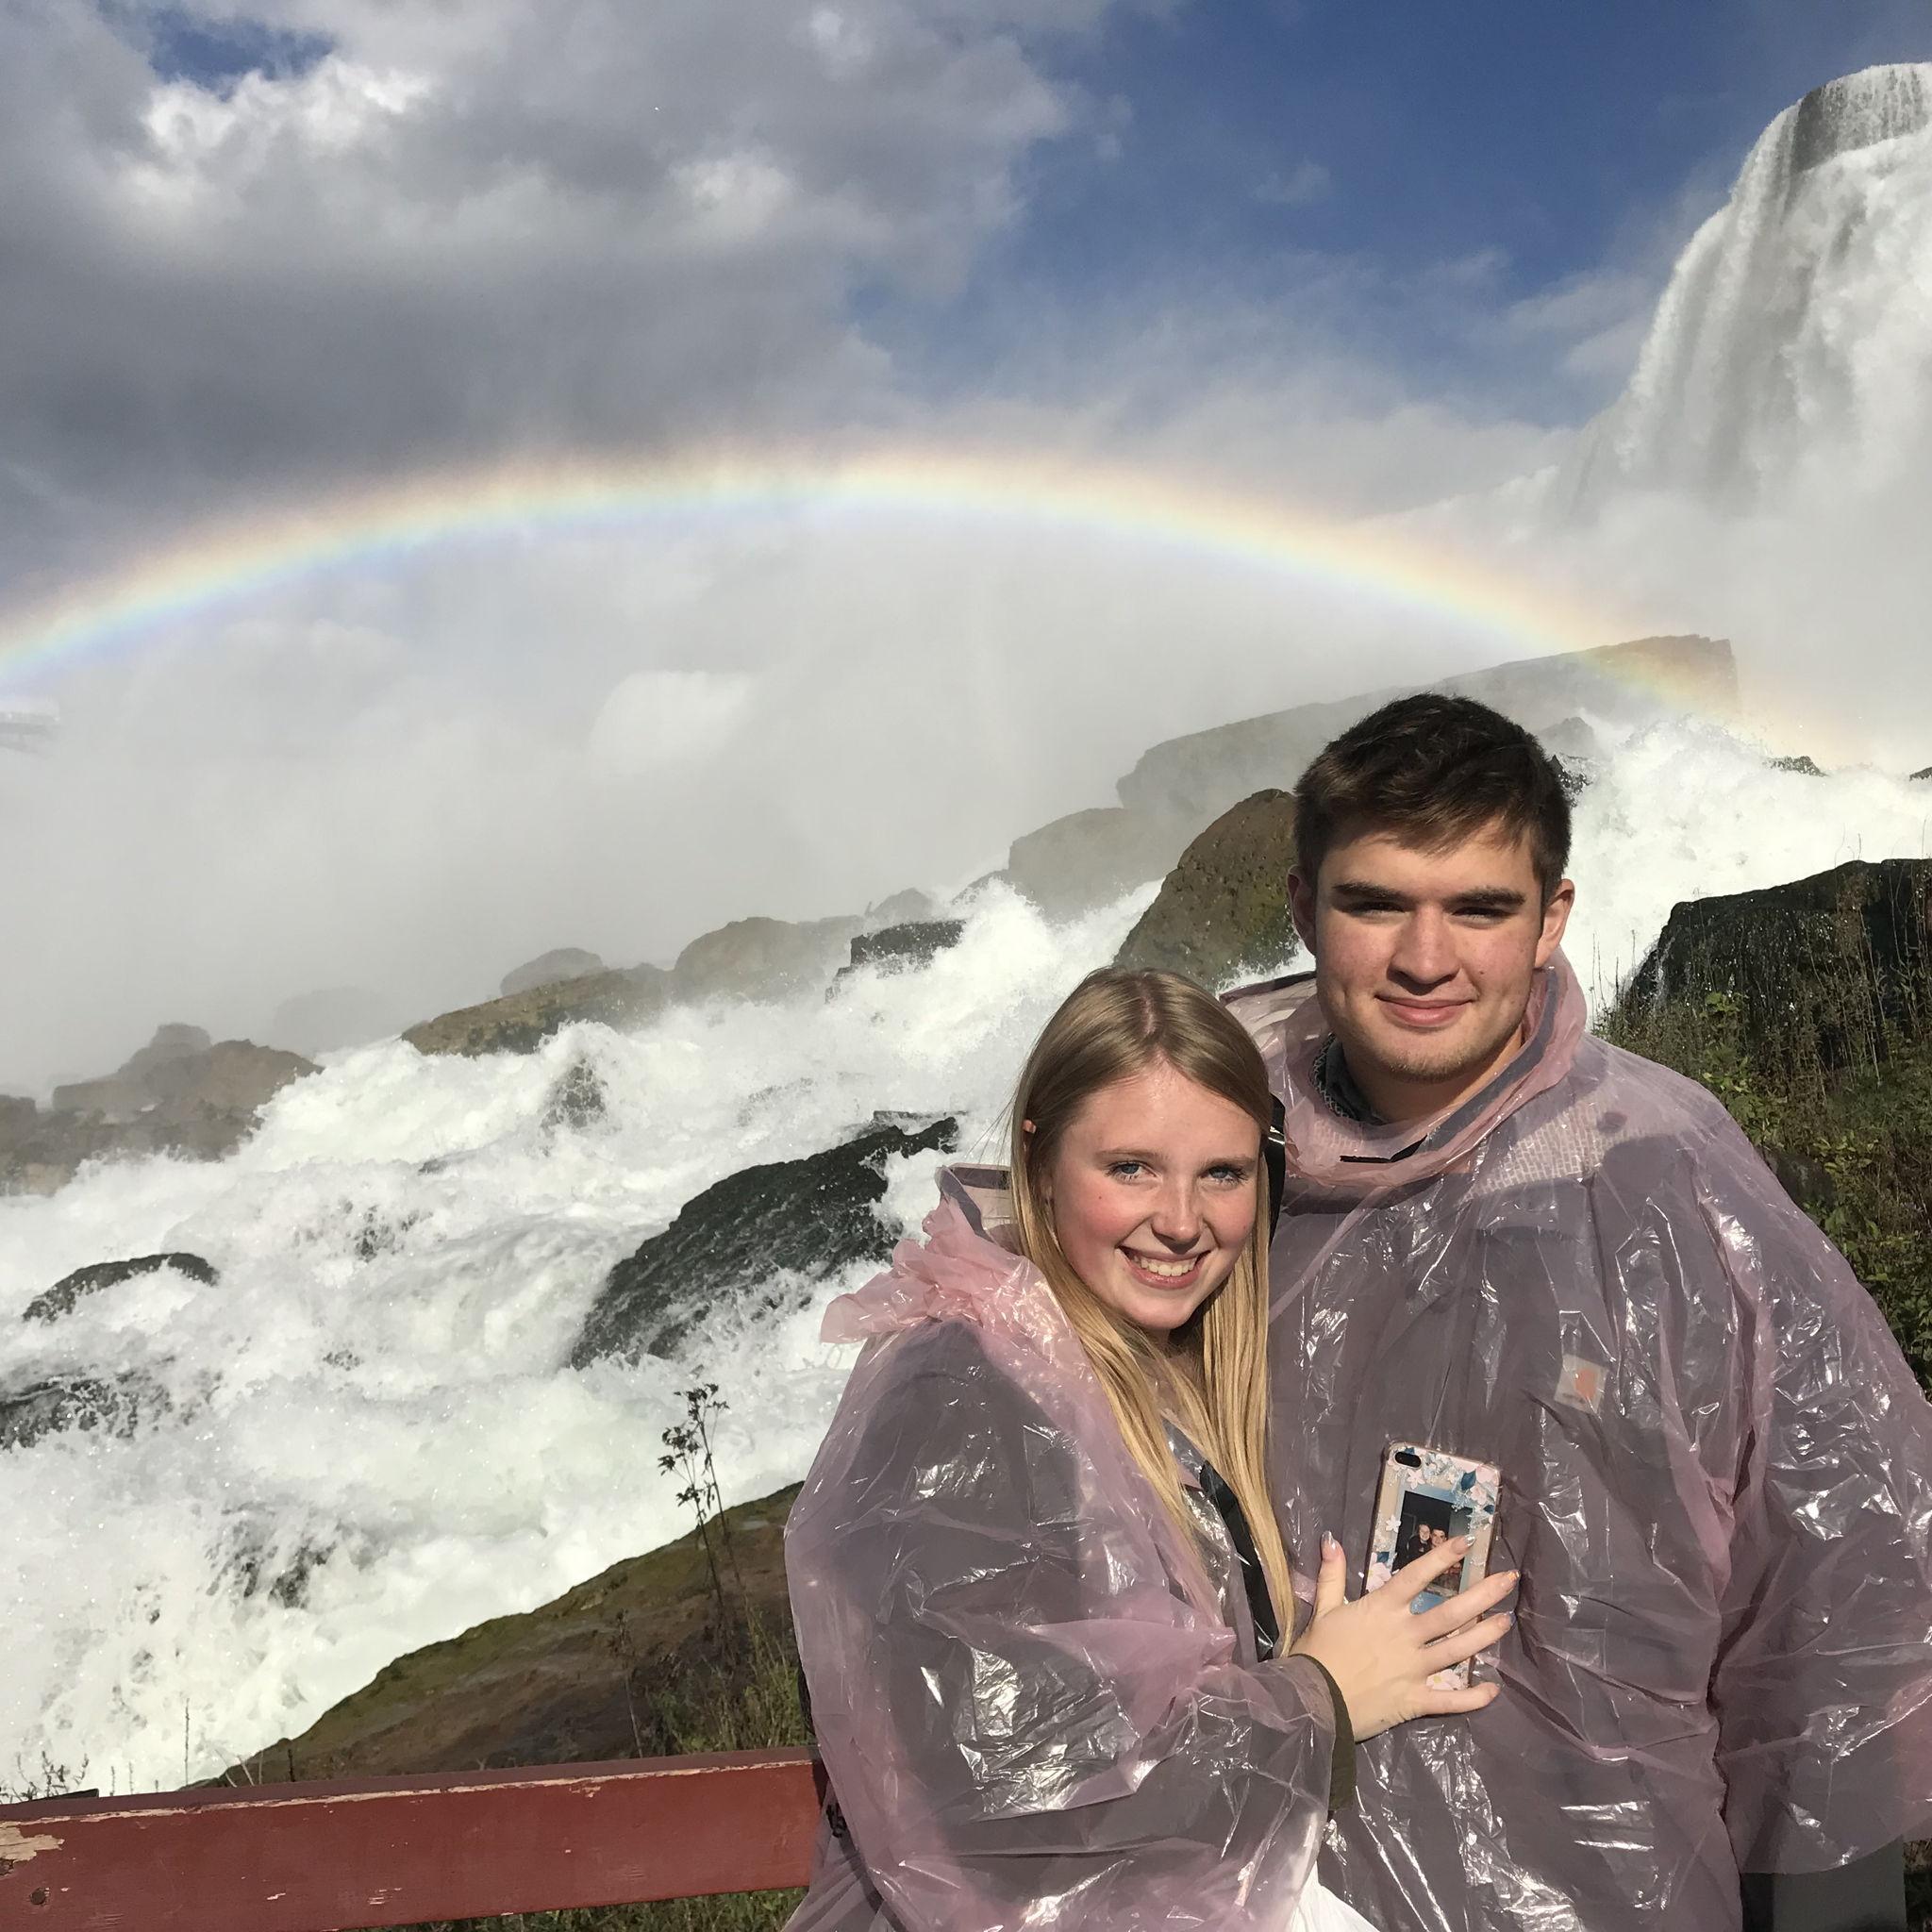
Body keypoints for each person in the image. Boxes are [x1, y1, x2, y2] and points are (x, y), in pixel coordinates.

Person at [1225, 692, 1932, 1932]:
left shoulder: (1671, 1184)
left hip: (1614, 1893)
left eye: (1480, 908)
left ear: (1553, 918)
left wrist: (1828, 1908)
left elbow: (1835, 1589)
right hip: (1255, 1891)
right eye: (1377, 902)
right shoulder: (1193, 1169)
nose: (1426, 957)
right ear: (1302, 908)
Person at [784, 968, 1518, 1932]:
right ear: (1039, 1157)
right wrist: (1322, 1694)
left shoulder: (1130, 1361)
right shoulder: (961, 1390)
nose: (1180, 1219)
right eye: (1129, 1166)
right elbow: (1025, 1805)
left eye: (1220, 1172)